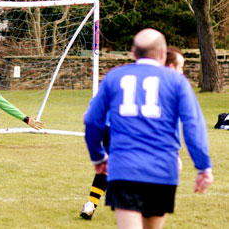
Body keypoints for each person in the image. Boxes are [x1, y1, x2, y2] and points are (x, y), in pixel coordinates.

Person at [84, 28, 213, 229]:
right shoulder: (178, 81)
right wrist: (203, 166)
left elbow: (92, 120)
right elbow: (193, 125)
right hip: (162, 170)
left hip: (124, 168)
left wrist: (98, 157)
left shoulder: (114, 77)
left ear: (134, 52)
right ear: (163, 54)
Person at [79, 45, 187, 220]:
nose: (182, 73)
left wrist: (91, 112)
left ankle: (92, 203)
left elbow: (103, 97)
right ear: (170, 66)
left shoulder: (127, 75)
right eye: (180, 67)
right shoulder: (168, 87)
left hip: (111, 128)